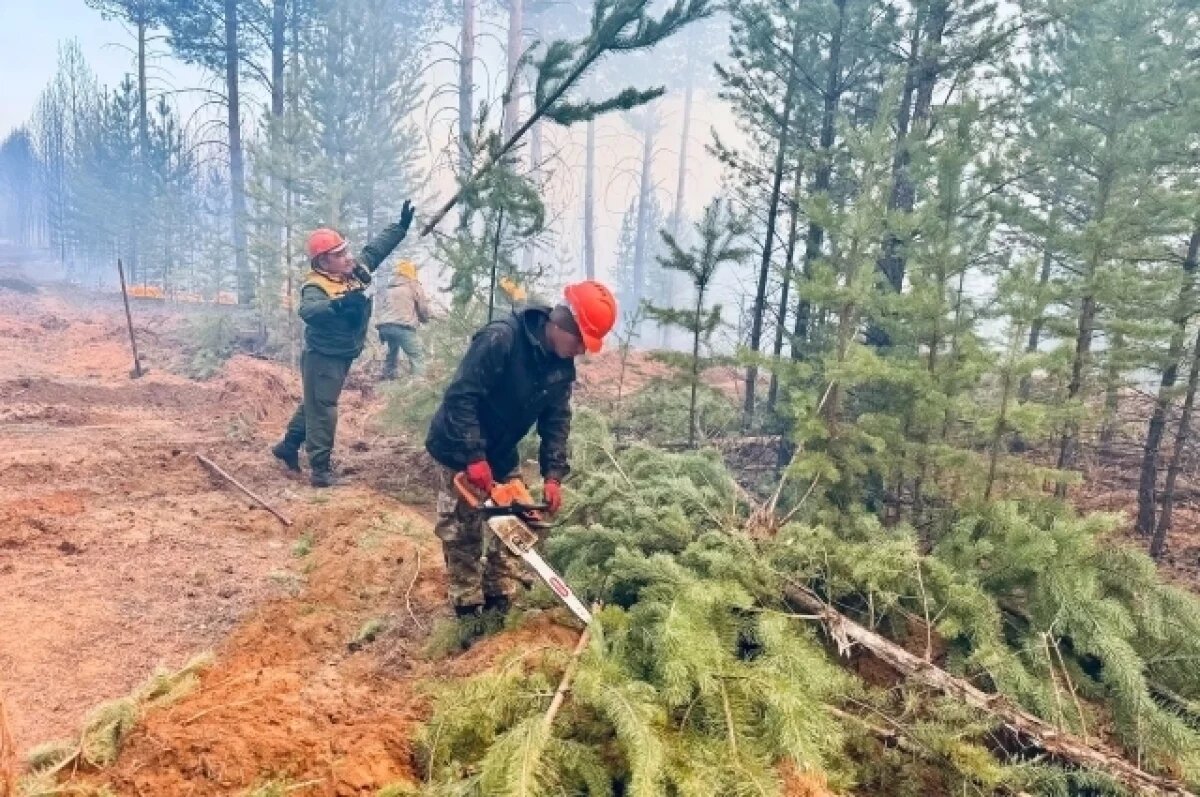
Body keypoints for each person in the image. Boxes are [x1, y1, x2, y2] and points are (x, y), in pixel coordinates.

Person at [424, 280, 618, 617]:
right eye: (581, 341)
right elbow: (461, 397)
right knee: (463, 528)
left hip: (500, 451)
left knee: (521, 520)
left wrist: (553, 475)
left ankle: (499, 591)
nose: (582, 351)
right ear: (561, 325)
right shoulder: (502, 338)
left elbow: (556, 420)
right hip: (458, 441)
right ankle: (467, 607)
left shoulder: (560, 365)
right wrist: (473, 456)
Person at [272, 201, 416, 487]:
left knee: (315, 402)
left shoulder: (350, 271)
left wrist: (399, 228)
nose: (348, 257)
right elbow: (308, 311)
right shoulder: (316, 286)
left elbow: (375, 250)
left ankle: (287, 447)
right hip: (323, 357)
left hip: (342, 353)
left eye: (345, 251)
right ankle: (320, 471)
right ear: (323, 262)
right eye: (339, 254)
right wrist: (337, 306)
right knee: (324, 408)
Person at [375, 259, 432, 379]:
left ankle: (388, 377)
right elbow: (422, 308)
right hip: (402, 326)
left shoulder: (390, 287)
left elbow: (381, 307)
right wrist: (425, 319)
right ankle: (419, 382)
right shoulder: (413, 285)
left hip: (384, 327)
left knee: (392, 352)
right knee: (417, 355)